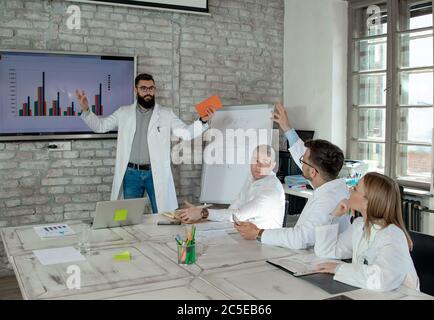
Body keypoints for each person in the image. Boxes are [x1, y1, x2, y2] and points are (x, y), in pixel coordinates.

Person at [76, 73, 215, 213]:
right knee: (127, 216)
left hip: (155, 172)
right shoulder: (123, 112)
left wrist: (202, 121)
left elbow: (185, 133)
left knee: (163, 215)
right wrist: (87, 110)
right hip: (131, 174)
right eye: (143, 88)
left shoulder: (166, 114)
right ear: (135, 90)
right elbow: (101, 126)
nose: (148, 92)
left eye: (151, 88)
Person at [235, 104, 351, 249]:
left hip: (316, 261)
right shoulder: (331, 184)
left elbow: (301, 239)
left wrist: (258, 233)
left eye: (303, 161)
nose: (300, 161)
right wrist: (287, 127)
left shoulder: (327, 201)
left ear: (313, 172)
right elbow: (302, 154)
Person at [314, 172, 420, 292]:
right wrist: (333, 216)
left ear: (367, 202)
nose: (350, 191)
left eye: (355, 189)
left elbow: (381, 280)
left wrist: (339, 268)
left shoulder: (393, 235)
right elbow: (325, 251)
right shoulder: (360, 225)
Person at [178, 145, 285, 230]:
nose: (258, 166)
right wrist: (200, 215)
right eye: (256, 160)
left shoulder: (271, 190)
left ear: (273, 166)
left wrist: (202, 213)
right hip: (243, 234)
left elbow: (238, 215)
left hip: (265, 244)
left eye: (265, 162)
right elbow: (234, 207)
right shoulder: (252, 177)